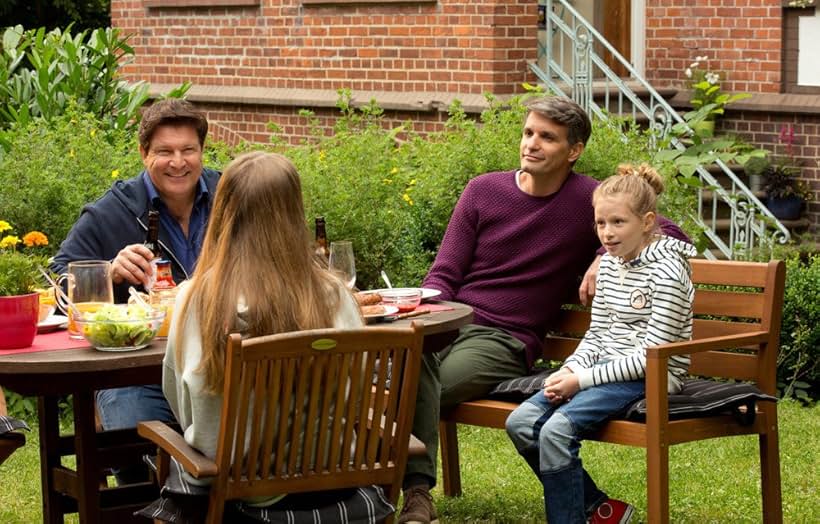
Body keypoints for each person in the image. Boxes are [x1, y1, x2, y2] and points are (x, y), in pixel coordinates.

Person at [398, 96, 690, 524]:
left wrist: (599, 257)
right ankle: (378, 489)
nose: (531, 144)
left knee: (415, 390)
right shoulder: (483, 190)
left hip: (504, 338)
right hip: (449, 323)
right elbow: (443, 273)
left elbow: (666, 230)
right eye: (528, 133)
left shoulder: (588, 199)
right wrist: (426, 315)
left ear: (574, 151)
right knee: (393, 369)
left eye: (547, 138)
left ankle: (413, 494)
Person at [162, 151, 363, 504]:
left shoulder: (196, 299)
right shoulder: (334, 295)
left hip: (236, 489)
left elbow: (181, 400)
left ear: (223, 214)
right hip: (332, 484)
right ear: (292, 213)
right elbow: (356, 387)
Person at [505, 164, 696, 523]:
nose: (607, 234)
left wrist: (580, 381)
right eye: (601, 223)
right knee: (522, 421)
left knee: (557, 430)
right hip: (601, 371)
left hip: (651, 375)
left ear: (648, 221)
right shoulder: (609, 264)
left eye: (618, 223)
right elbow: (598, 333)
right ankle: (597, 508)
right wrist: (570, 368)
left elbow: (649, 357)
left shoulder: (669, 271)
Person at [50, 99, 220, 473]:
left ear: (202, 151)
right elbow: (59, 281)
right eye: (165, 152)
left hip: (219, 368)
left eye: (188, 150)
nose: (178, 162)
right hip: (140, 377)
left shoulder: (230, 198)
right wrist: (108, 271)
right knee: (137, 459)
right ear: (144, 153)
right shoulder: (113, 210)